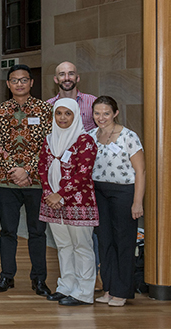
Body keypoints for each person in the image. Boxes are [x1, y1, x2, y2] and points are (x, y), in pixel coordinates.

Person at [0, 64, 53, 296]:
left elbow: (48, 143)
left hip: (36, 182)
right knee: (8, 231)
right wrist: (14, 169)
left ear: (31, 82)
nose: (19, 84)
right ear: (8, 84)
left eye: (24, 80)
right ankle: (7, 276)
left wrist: (27, 169)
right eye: (14, 80)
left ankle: (39, 279)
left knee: (37, 232)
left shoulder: (45, 110)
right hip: (7, 182)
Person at [38, 98, 99, 306]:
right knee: (63, 246)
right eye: (58, 113)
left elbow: (83, 174)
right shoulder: (49, 139)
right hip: (52, 202)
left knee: (82, 246)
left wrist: (60, 195)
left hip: (77, 203)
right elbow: (42, 168)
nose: (62, 118)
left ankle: (83, 292)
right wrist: (49, 193)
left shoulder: (85, 141)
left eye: (67, 114)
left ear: (75, 116)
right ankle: (66, 287)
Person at [89, 96, 145, 307]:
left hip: (124, 192)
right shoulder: (90, 135)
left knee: (123, 241)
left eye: (105, 113)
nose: (101, 118)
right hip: (99, 192)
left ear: (115, 113)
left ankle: (122, 291)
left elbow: (141, 170)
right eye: (97, 113)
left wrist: (137, 202)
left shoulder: (128, 136)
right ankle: (109, 288)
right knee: (104, 241)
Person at [46, 61, 98, 132]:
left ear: (78, 78)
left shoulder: (92, 102)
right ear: (56, 79)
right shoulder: (48, 106)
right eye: (62, 74)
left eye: (71, 74)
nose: (67, 78)